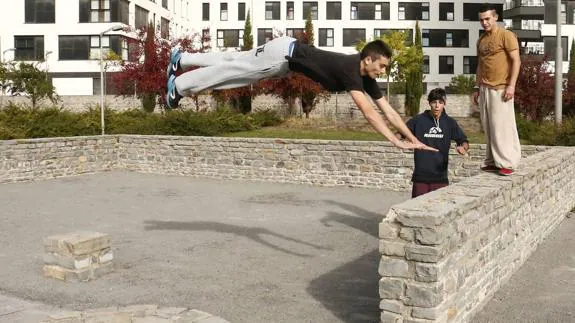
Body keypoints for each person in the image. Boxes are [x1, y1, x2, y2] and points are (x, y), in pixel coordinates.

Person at [165, 37, 437, 152]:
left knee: (232, 61)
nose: (383, 70)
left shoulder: (365, 77)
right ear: (368, 60)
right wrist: (395, 142)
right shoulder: (351, 71)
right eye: (382, 65)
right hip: (281, 56)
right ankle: (177, 87)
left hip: (285, 51)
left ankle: (182, 58)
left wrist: (412, 138)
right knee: (233, 73)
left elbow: (386, 110)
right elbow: (369, 114)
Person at [472, 4, 521, 176]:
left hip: (501, 88)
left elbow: (516, 61)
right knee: (489, 127)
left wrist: (511, 86)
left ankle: (507, 162)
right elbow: (480, 65)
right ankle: (493, 161)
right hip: (485, 88)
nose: (484, 22)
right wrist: (476, 87)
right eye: (481, 20)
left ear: (495, 17)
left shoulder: (506, 35)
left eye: (487, 19)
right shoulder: (481, 40)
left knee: (502, 126)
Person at [396, 88, 469, 198]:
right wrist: (400, 140)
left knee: (440, 211)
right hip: (420, 177)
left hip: (440, 177)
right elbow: (399, 134)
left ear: (444, 103)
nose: (437, 106)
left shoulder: (450, 123)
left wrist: (463, 148)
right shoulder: (418, 120)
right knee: (417, 210)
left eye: (440, 102)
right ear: (429, 103)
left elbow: (463, 141)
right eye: (434, 102)